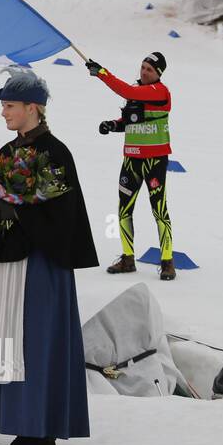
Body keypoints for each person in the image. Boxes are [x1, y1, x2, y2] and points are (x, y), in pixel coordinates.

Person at [0, 68, 97, 445]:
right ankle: (18, 423)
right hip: (11, 264)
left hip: (43, 264)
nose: (3, 113)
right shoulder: (7, 153)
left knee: (38, 342)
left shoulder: (55, 152)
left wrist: (18, 212)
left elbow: (64, 217)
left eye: (9, 105)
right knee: (11, 342)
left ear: (34, 108)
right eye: (2, 106)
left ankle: (40, 429)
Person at [86, 52, 175, 280]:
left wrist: (102, 73)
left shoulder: (159, 91)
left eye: (150, 70)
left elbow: (128, 91)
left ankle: (167, 261)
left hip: (154, 161)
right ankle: (127, 258)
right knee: (124, 209)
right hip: (131, 160)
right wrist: (112, 125)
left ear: (158, 74)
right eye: (143, 67)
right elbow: (130, 121)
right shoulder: (136, 92)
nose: (145, 72)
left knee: (159, 211)